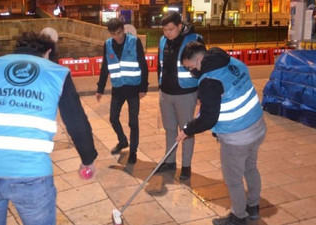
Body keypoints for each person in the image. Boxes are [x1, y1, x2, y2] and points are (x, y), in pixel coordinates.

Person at [0, 32, 98, 225]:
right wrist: (87, 160)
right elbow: (76, 121)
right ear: (48, 52)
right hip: (32, 176)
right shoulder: (57, 73)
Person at [177, 42, 266, 225]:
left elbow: (209, 119)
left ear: (200, 58)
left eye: (191, 66)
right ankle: (253, 207)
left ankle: (238, 217)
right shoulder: (232, 61)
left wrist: (187, 129)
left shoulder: (210, 81)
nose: (191, 71)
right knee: (250, 168)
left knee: (233, 179)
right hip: (256, 126)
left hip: (237, 137)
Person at [156, 12, 204, 180]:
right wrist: (160, 87)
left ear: (179, 26)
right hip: (166, 93)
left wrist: (201, 94)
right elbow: (159, 65)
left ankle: (186, 166)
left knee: (187, 131)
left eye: (170, 29)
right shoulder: (163, 41)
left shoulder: (193, 39)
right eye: (164, 30)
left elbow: (202, 67)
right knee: (169, 130)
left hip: (186, 93)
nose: (167, 33)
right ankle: (169, 162)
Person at [96, 18, 148, 164]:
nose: (117, 37)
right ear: (110, 33)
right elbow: (105, 66)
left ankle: (133, 151)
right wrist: (100, 88)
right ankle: (122, 141)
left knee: (133, 122)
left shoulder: (134, 41)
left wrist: (143, 87)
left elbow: (143, 65)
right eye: (114, 34)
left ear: (123, 30)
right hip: (118, 88)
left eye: (119, 33)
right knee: (113, 118)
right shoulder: (107, 44)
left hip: (133, 88)